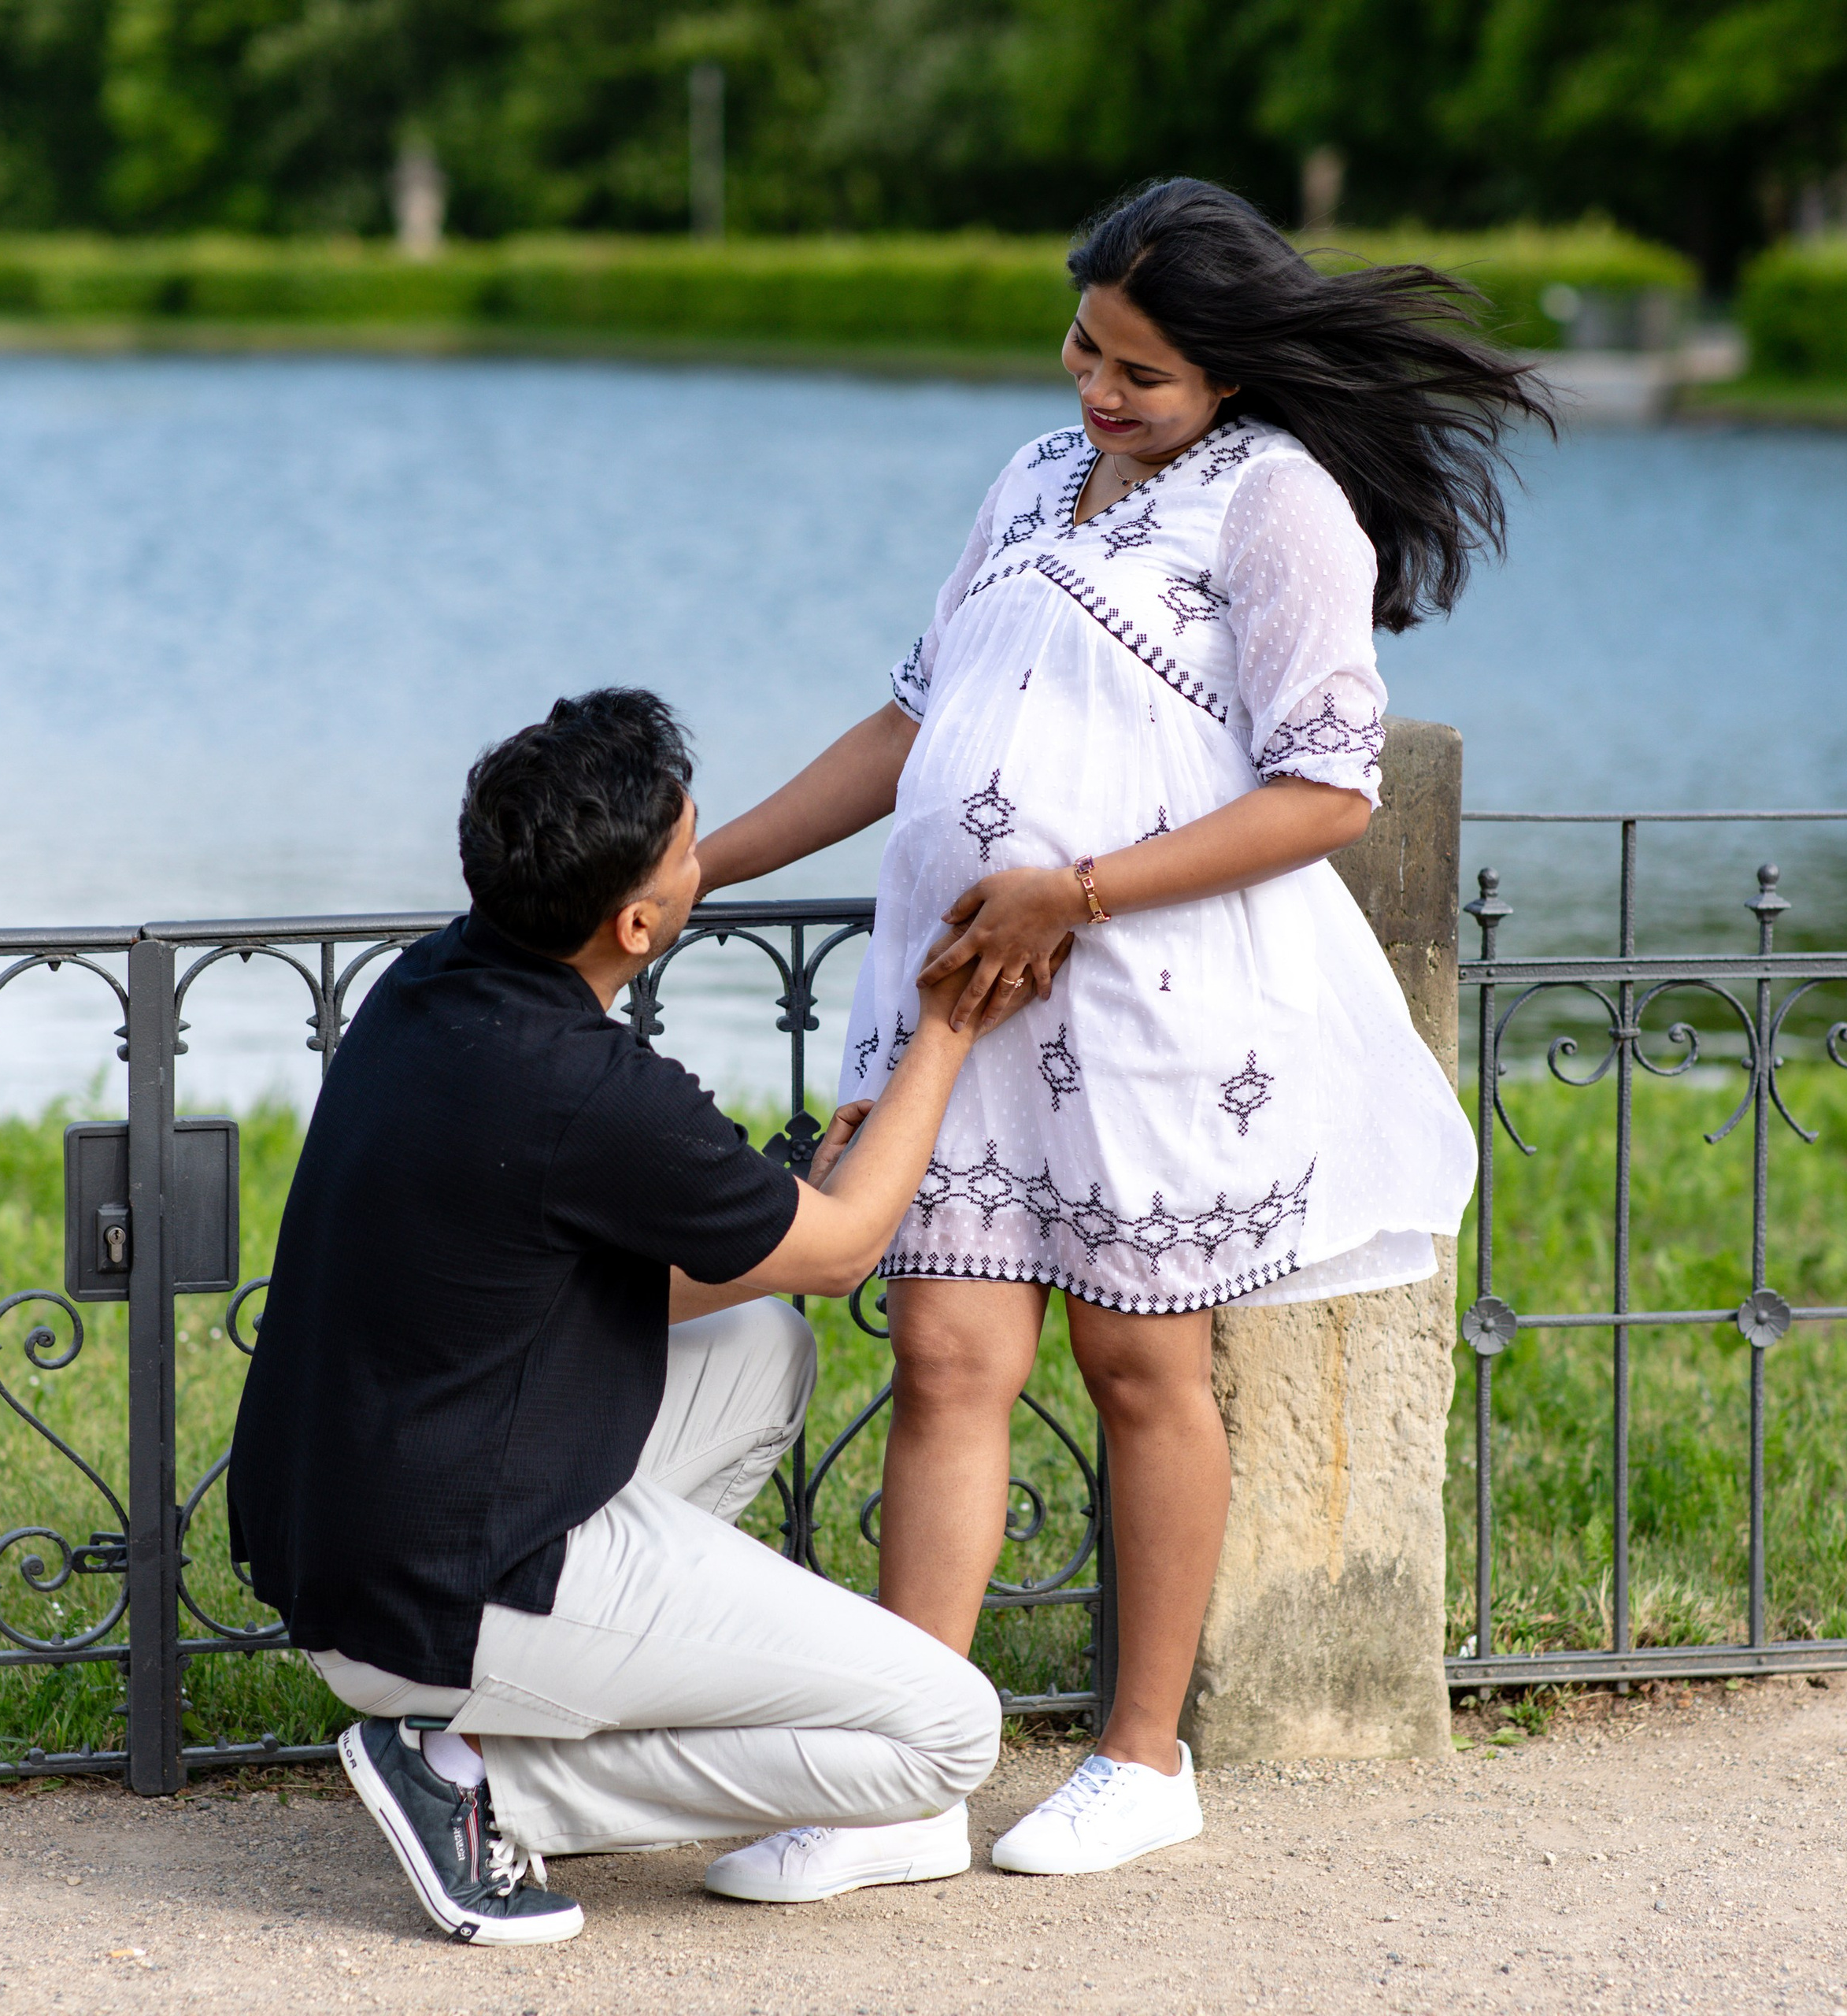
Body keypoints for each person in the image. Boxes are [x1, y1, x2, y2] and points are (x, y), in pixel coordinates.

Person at [694, 179, 1549, 1879]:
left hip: (1151, 1004)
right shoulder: (1025, 475)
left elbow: (1322, 792)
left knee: (1139, 1364)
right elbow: (912, 714)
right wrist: (700, 865)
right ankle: (909, 1780)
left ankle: (1142, 1756)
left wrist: (1066, 891)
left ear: (1225, 374)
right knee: (943, 1357)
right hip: (958, 1006)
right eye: (1082, 343)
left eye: (1137, 371)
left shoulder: (1279, 506)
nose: (1094, 386)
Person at [227, 689, 1060, 1944]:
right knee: (945, 1731)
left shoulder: (432, 984)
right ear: (638, 921)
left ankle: (517, 1699)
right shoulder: (592, 1092)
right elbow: (839, 1257)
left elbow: (683, 1265)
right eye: (690, 852)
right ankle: (478, 1779)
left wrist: (787, 1206)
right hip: (445, 1581)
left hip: (347, 1537)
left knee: (757, 1345)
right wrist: (943, 1033)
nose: (701, 862)